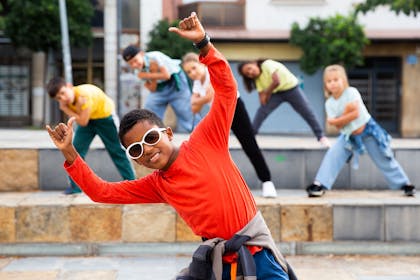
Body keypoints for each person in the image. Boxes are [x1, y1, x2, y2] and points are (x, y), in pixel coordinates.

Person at [46, 12, 295, 279]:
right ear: (135, 159)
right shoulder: (157, 184)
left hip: (257, 254)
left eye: (150, 138)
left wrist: (203, 43)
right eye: (137, 150)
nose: (148, 150)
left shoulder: (206, 140)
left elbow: (226, 89)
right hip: (219, 263)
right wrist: (70, 153)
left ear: (167, 132)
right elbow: (102, 192)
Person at [306, 64, 416, 197]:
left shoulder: (351, 92)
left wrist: (337, 118)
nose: (333, 84)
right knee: (333, 154)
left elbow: (354, 114)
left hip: (368, 131)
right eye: (329, 81)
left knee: (384, 157)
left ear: (344, 80)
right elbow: (339, 127)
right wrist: (344, 116)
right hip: (348, 136)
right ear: (325, 84)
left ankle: (405, 184)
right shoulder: (329, 103)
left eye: (336, 80)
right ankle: (319, 184)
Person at [182, 52, 277, 198]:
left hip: (234, 108)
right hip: (218, 113)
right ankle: (213, 186)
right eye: (188, 72)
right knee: (211, 148)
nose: (192, 73)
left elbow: (208, 97)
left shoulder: (210, 73)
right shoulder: (197, 84)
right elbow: (194, 109)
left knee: (249, 145)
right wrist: (201, 99)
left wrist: (198, 99)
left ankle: (267, 182)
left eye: (194, 68)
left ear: (201, 64)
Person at [46, 77, 136, 194]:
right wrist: (70, 109)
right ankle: (76, 187)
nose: (63, 98)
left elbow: (82, 121)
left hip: (105, 118)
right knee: (75, 151)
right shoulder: (69, 102)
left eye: (63, 93)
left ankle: (132, 184)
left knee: (116, 150)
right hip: (88, 121)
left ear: (69, 86)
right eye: (59, 98)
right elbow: (82, 120)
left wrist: (65, 109)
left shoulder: (84, 95)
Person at [238, 59, 330, 147]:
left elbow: (276, 81)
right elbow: (262, 99)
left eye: (249, 68)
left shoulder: (267, 64)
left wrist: (266, 93)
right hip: (276, 94)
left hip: (291, 89)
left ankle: (321, 136)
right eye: (248, 74)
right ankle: (250, 136)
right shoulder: (258, 80)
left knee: (306, 112)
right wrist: (263, 101)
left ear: (254, 63)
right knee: (261, 112)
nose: (250, 73)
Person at [122, 42, 199, 133]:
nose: (134, 65)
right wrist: (152, 74)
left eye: (135, 60)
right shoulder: (137, 72)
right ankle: (152, 134)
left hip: (175, 82)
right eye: (131, 63)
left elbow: (166, 75)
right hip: (159, 88)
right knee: (150, 107)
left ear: (142, 54)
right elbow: (152, 89)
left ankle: (200, 132)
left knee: (185, 111)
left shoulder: (155, 56)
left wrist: (148, 74)